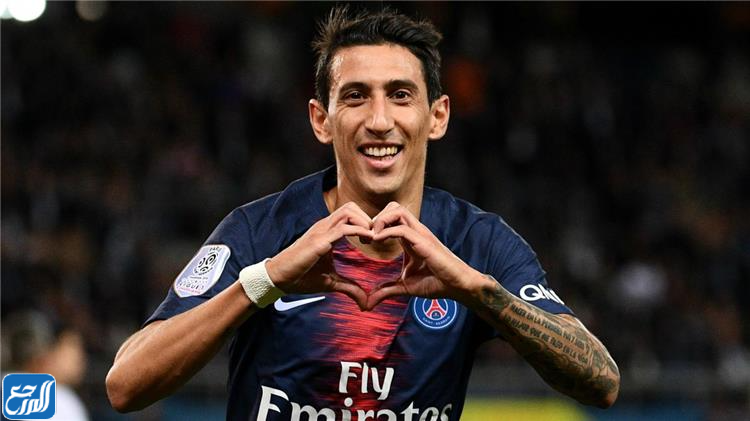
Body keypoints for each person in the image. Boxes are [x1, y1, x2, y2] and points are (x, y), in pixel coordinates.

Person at [106, 6, 620, 420]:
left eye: (400, 95)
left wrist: (477, 292)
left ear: (437, 116)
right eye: (355, 97)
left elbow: (603, 382)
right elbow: (125, 385)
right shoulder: (261, 231)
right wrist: (266, 281)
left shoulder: (476, 243)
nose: (379, 120)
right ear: (321, 120)